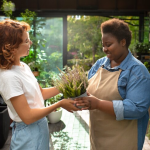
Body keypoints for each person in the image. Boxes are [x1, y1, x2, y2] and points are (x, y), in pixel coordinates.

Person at [0, 19, 80, 150]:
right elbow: (27, 117)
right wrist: (60, 104)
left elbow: (40, 94)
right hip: (28, 132)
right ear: (11, 47)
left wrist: (66, 85)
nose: (30, 43)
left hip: (39, 126)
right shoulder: (8, 77)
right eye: (26, 41)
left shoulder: (23, 66)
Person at [75, 18, 150, 150]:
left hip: (123, 142)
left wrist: (98, 104)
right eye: (103, 45)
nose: (105, 49)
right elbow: (87, 88)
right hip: (98, 140)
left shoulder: (137, 71)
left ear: (123, 42)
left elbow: (137, 109)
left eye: (108, 44)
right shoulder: (100, 64)